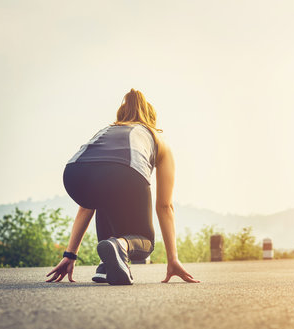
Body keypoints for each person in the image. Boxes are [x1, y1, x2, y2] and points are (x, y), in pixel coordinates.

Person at [46, 89, 199, 285]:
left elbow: (87, 205)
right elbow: (164, 207)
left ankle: (107, 264)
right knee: (144, 242)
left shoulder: (106, 131)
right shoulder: (157, 139)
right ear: (152, 119)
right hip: (124, 172)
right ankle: (120, 247)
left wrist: (70, 254)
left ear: (121, 115)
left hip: (75, 173)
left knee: (103, 194)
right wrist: (173, 260)